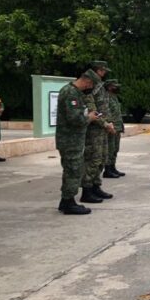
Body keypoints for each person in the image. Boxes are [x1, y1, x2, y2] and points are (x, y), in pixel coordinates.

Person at [56, 71, 100, 214]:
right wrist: (90, 118)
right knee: (73, 171)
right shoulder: (71, 93)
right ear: (87, 81)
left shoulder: (71, 91)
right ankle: (69, 203)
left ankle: (65, 201)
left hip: (72, 140)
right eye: (91, 84)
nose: (90, 87)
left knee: (70, 170)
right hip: (70, 140)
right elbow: (75, 119)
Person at [81, 61, 115, 204]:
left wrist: (109, 123)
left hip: (103, 128)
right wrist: (105, 123)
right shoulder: (90, 86)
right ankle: (86, 191)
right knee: (92, 160)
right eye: (103, 70)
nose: (104, 72)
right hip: (94, 129)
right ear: (97, 70)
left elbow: (104, 107)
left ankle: (96, 186)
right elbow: (92, 109)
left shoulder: (101, 86)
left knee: (102, 158)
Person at [103, 80, 125, 178]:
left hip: (117, 127)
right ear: (109, 87)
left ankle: (113, 167)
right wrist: (109, 125)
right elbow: (106, 113)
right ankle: (107, 170)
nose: (116, 88)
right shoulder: (106, 97)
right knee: (110, 149)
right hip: (111, 127)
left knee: (115, 149)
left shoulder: (114, 97)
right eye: (114, 86)